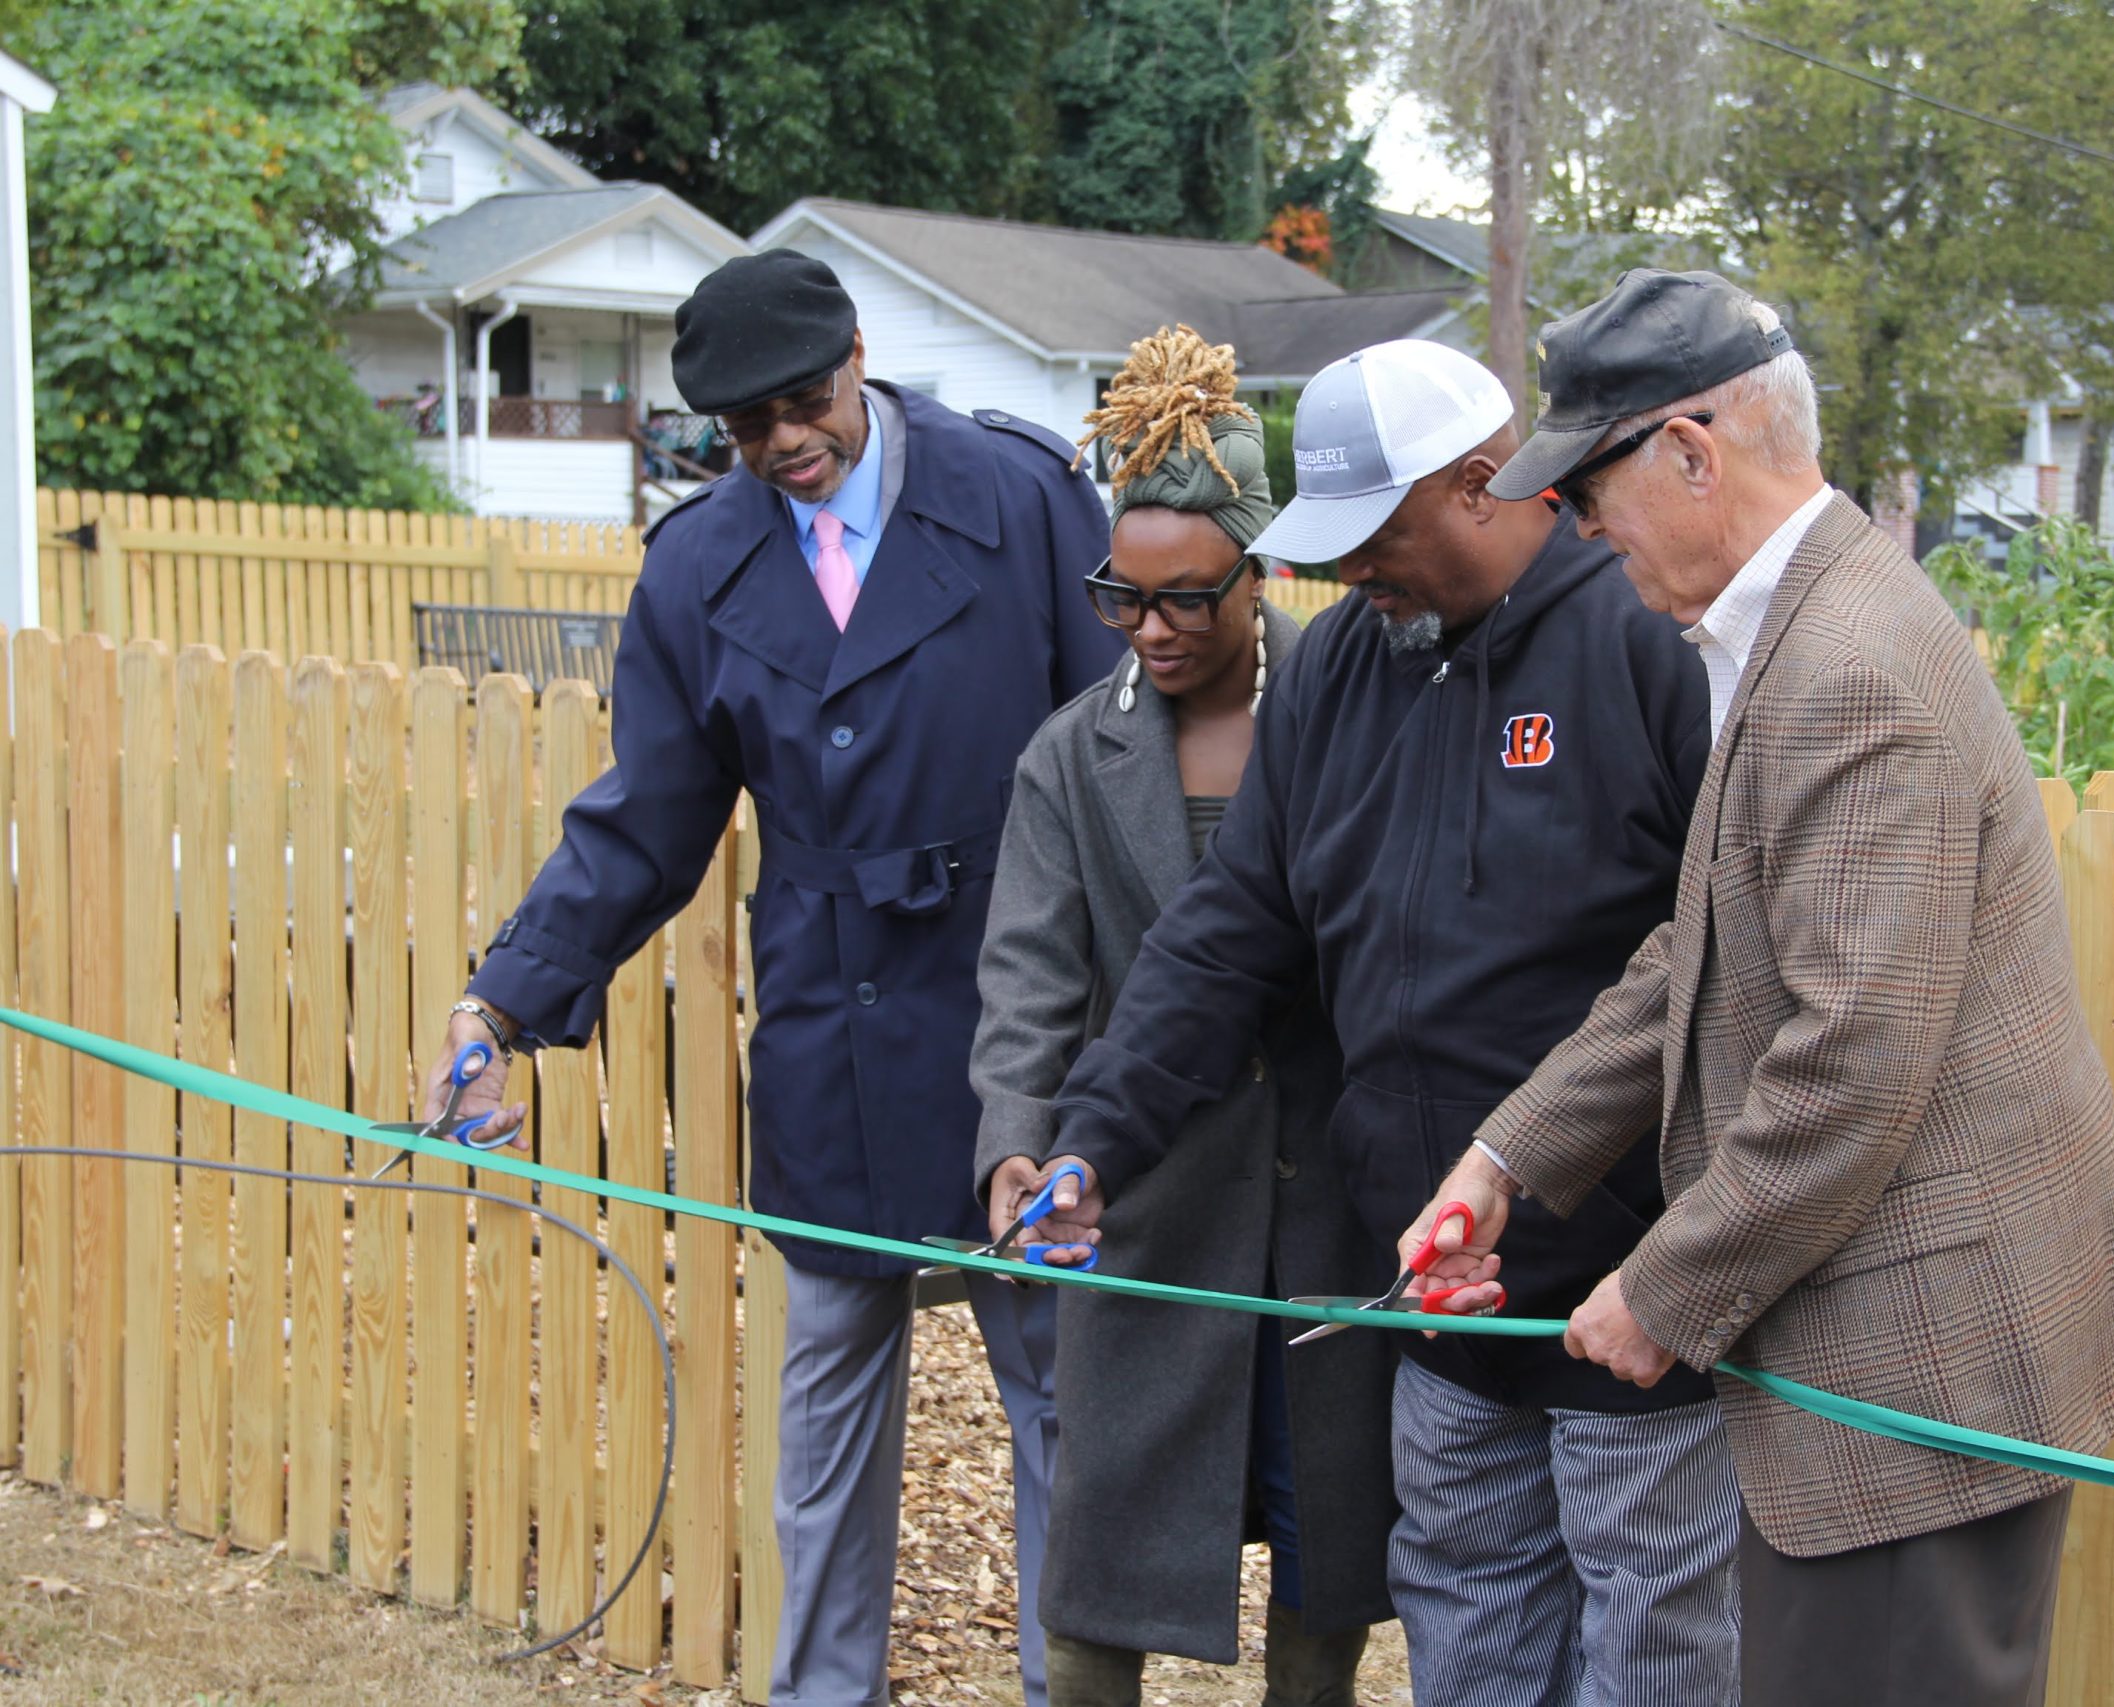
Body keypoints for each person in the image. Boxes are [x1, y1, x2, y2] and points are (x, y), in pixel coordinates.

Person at [1397, 267, 2114, 1706]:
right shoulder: (1787, 631)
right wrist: (1509, 1155)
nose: (1572, 525)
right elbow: (1695, 952)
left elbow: (1851, 1062)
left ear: (1693, 453)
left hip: (1924, 1380)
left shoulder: (1848, 666)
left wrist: (1661, 1290)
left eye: (1588, 487)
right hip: (1895, 1366)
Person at [417, 250, 1124, 1707]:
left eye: (805, 403)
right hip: (833, 1021)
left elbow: (1114, 753)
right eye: (748, 428)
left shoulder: (1026, 498)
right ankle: (824, 1692)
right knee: (828, 1395)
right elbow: (647, 818)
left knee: (1064, 1389)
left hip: (1029, 1019)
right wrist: (502, 1002)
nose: (786, 443)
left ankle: (1076, 1690)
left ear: (860, 355)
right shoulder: (695, 568)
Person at [1028, 340, 1746, 1706]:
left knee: (1648, 1658)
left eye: (1377, 537)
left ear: (1484, 485)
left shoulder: (1646, 641)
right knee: (1467, 1641)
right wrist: (1098, 1137)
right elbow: (1232, 931)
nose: (1346, 574)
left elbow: (1727, 957)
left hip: (1628, 1307)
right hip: (1433, 1301)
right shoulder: (1346, 667)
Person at [970, 326, 1394, 1707]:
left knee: (1327, 1561)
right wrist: (1017, 1146)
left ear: (1259, 573)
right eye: (1121, 598)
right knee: (1103, 1570)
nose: (1150, 630)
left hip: (1328, 1204)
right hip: (1145, 1209)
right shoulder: (1068, 760)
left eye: (1185, 601)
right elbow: (1029, 983)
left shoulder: (1351, 715)